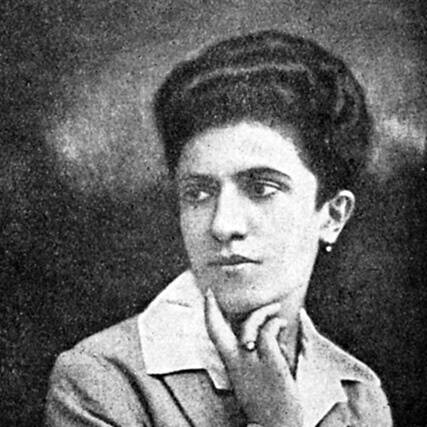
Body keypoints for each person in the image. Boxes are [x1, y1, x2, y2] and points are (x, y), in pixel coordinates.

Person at [46, 30, 393, 426]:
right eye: (198, 193)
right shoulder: (102, 380)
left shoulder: (360, 397)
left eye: (261, 188)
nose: (223, 225)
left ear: (333, 216)